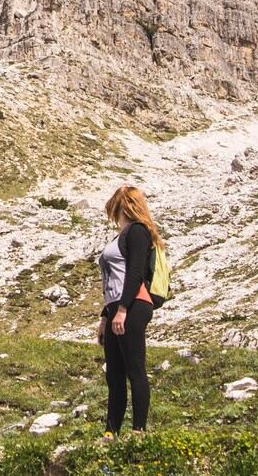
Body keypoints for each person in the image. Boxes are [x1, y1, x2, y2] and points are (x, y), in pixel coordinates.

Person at [96, 184, 163, 436]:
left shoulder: (137, 232)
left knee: (134, 367)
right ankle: (110, 432)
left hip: (133, 305)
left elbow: (134, 273)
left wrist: (123, 309)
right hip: (117, 306)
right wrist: (106, 316)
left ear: (121, 205)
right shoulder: (121, 235)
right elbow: (113, 280)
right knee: (114, 372)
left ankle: (138, 430)